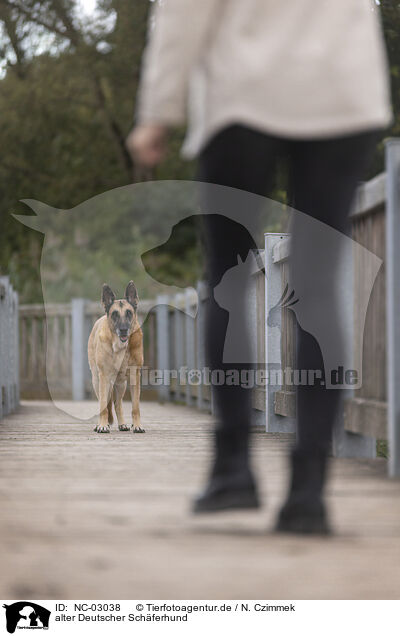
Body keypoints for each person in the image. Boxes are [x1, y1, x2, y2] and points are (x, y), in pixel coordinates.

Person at [126, 0, 391, 534]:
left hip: (242, 93)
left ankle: (232, 470)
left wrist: (158, 111)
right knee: (318, 283)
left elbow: (185, 14)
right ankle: (310, 489)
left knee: (225, 276)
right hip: (343, 91)